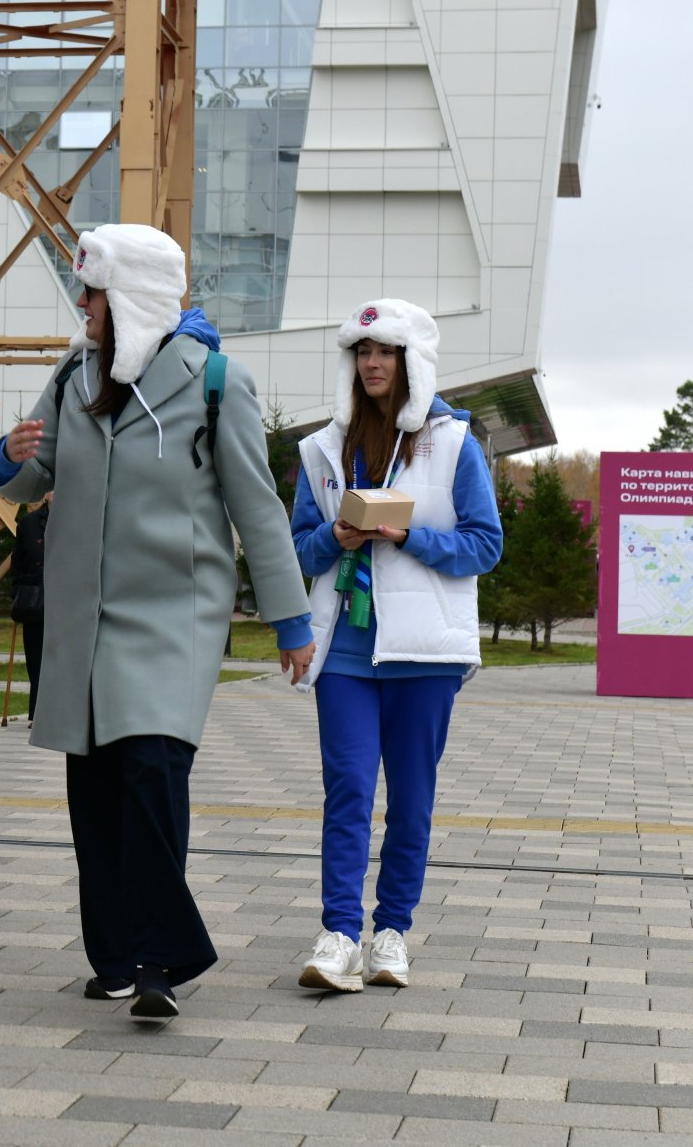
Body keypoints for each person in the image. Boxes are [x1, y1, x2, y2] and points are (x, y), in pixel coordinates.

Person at [0, 223, 315, 1024]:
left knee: (150, 774)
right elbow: (33, 477)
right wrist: (5, 455)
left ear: (129, 295)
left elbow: (257, 507)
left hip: (175, 617)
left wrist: (290, 619)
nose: (82, 305)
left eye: (93, 292)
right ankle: (113, 959)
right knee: (96, 792)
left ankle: (160, 960)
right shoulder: (74, 373)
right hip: (83, 620)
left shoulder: (216, 382)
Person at [288, 299, 503, 992]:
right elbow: (298, 548)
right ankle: (338, 935)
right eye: (363, 352)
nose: (372, 363)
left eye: (385, 351)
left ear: (412, 361)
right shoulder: (322, 448)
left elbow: (485, 544)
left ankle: (392, 934)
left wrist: (407, 537)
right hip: (344, 653)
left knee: (410, 800)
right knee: (348, 789)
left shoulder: (454, 444)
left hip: (424, 654)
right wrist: (336, 536)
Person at [8, 496, 49, 719]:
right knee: (36, 660)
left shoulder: (78, 518)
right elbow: (18, 564)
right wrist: (19, 595)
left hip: (69, 603)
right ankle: (37, 714)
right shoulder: (29, 523)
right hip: (36, 602)